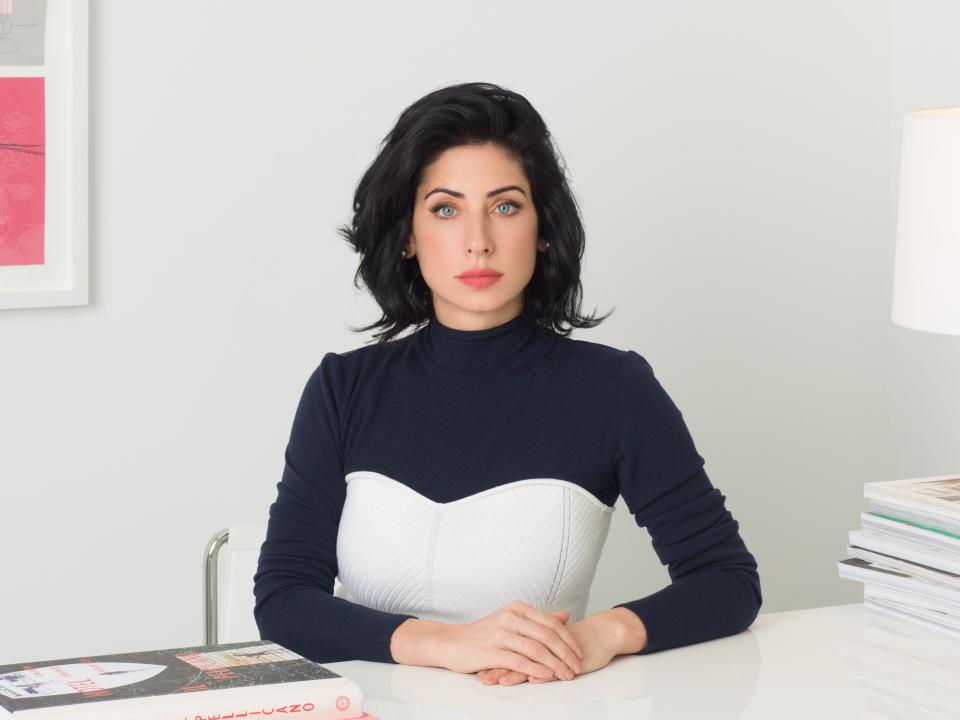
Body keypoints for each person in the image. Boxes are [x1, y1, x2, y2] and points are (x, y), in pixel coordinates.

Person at [253, 81, 762, 687]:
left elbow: (728, 580)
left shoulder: (614, 387)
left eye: (505, 206)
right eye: (446, 208)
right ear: (409, 236)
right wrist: (446, 644)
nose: (478, 240)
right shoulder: (344, 387)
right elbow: (282, 600)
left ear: (542, 228)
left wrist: (600, 634)